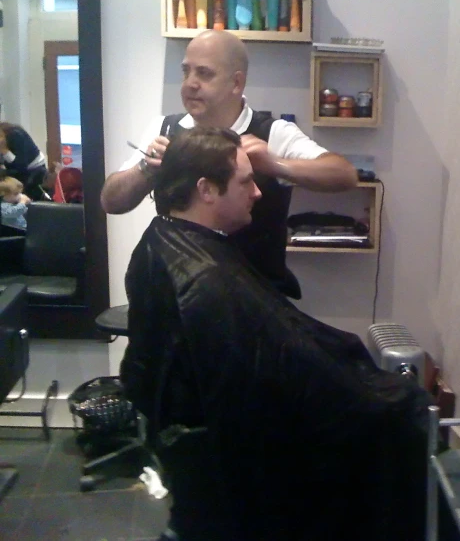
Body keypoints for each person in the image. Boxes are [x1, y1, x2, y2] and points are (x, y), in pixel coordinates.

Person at [120, 127, 430, 541]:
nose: (259, 193)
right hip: (229, 461)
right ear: (206, 190)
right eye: (246, 182)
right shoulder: (208, 279)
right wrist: (384, 395)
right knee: (398, 411)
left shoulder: (159, 241)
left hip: (190, 448)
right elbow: (288, 375)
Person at [101, 29, 357, 297]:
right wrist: (147, 167)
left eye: (204, 73)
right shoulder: (164, 129)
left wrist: (275, 164)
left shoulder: (274, 133)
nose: (190, 83)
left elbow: (344, 175)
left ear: (236, 83)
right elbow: (111, 202)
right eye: (186, 71)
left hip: (258, 303)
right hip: (181, 299)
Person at [0, 122, 50, 201]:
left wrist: (4, 150)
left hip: (34, 169)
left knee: (14, 187)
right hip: (16, 169)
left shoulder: (16, 135)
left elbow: (20, 166)